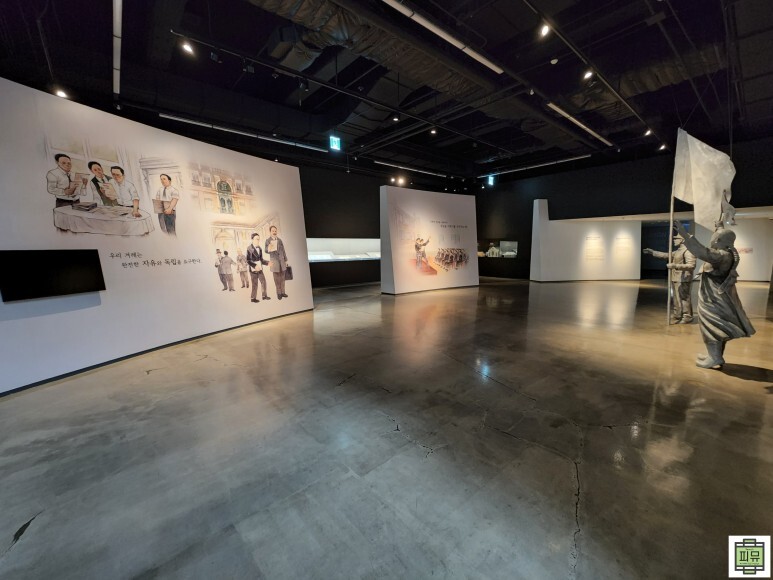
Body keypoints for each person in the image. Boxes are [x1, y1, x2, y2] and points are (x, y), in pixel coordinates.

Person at [674, 220, 755, 369]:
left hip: (713, 298)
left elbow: (701, 252)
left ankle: (715, 358)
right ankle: (714, 355)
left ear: (717, 240)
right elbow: (717, 242)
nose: (711, 239)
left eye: (714, 237)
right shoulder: (728, 253)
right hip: (718, 296)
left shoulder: (720, 255)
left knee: (711, 326)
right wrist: (719, 227)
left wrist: (685, 235)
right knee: (718, 327)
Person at [643, 232, 697, 323]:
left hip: (683, 279)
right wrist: (652, 252)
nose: (674, 240)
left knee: (684, 298)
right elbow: (666, 255)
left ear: (682, 240)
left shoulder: (688, 251)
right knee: (676, 298)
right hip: (676, 277)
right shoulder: (679, 251)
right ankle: (678, 314)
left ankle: (687, 316)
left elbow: (691, 265)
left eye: (676, 239)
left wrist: (675, 266)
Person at [265, 225, 289, 300]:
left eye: (275, 231)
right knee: (277, 280)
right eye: (273, 231)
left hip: (282, 262)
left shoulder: (280, 240)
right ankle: (279, 294)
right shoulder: (267, 240)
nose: (274, 232)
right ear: (270, 232)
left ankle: (283, 292)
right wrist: (269, 247)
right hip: (274, 263)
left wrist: (286, 260)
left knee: (282, 279)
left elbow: (283, 251)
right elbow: (266, 250)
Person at [247, 232, 270, 303]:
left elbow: (261, 260)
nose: (258, 241)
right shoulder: (249, 248)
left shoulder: (259, 248)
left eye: (259, 239)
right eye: (256, 239)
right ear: (252, 240)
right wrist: (254, 265)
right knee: (255, 284)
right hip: (253, 270)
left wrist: (268, 263)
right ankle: (253, 298)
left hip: (260, 268)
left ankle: (264, 296)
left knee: (263, 282)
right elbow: (248, 260)